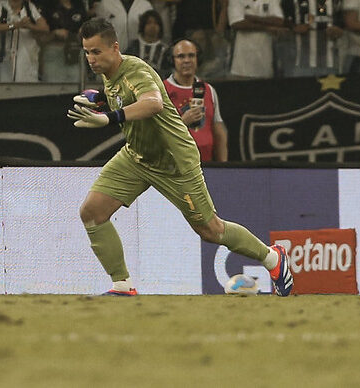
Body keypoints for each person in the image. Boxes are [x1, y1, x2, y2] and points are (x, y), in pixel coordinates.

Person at [67, 19, 292, 296]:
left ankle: (273, 258)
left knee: (211, 231)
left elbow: (153, 103)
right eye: (87, 52)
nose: (91, 59)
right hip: (137, 157)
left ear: (114, 48)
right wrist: (99, 98)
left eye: (96, 52)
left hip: (175, 162)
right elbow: (123, 96)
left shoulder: (134, 69)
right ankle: (122, 285)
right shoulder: (108, 74)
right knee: (92, 212)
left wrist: (109, 118)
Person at [163, 39, 228, 161]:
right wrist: (183, 123)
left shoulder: (208, 90)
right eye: (181, 56)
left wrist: (224, 167)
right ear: (172, 60)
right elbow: (156, 134)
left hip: (207, 165)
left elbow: (219, 132)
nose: (187, 60)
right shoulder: (162, 91)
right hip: (175, 167)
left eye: (191, 55)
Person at [279, 0, 346, 77]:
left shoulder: (336, 2)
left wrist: (338, 31)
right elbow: (281, 22)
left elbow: (342, 25)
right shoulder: (290, 2)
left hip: (330, 62)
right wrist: (293, 27)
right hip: (301, 62)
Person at [0, 0, 49, 82]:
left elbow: (44, 28)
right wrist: (15, 25)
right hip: (4, 58)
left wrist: (29, 26)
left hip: (26, 58)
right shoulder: (1, 6)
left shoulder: (30, 7)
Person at [228, 0, 286, 79]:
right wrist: (267, 27)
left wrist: (253, 18)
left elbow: (279, 21)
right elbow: (236, 23)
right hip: (241, 67)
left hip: (266, 65)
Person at [39, 0, 89, 82]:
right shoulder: (48, 7)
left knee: (76, 88)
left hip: (75, 52)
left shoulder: (79, 6)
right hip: (54, 52)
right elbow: (39, 37)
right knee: (53, 87)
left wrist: (82, 33)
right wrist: (54, 33)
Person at [124, 9, 171, 77]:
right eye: (149, 23)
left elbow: (168, 72)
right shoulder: (133, 46)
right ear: (143, 26)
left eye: (156, 23)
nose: (152, 26)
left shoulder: (165, 50)